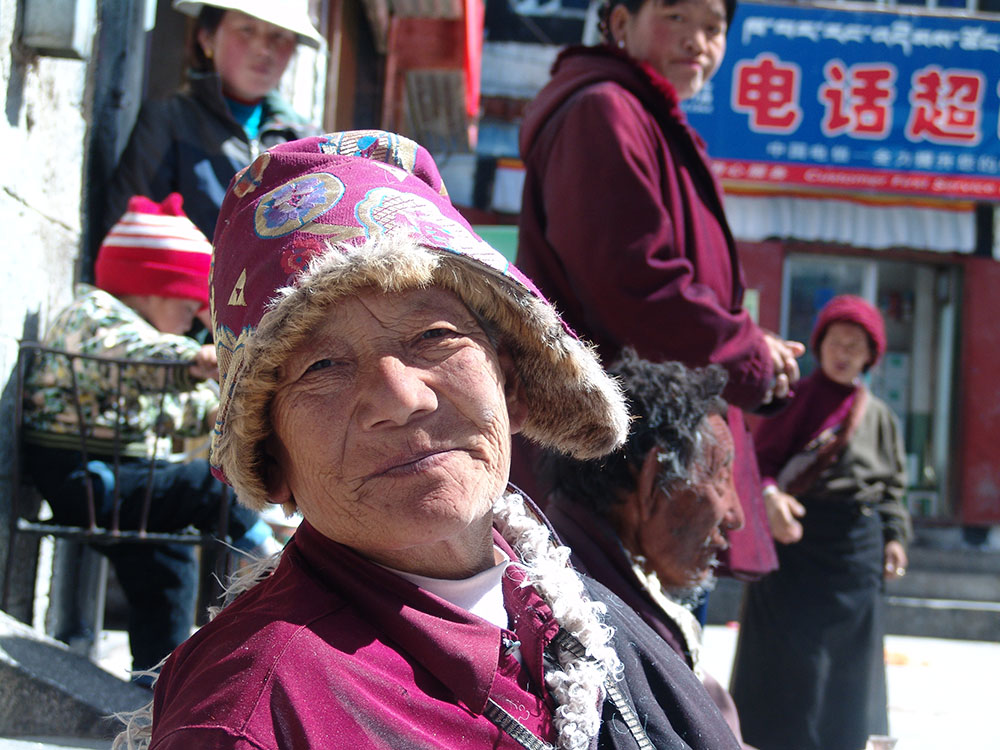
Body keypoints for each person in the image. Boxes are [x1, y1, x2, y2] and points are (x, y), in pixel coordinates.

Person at [117, 130, 744, 749]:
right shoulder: (252, 714)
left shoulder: (573, 614)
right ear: (271, 457)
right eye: (322, 367)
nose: (401, 397)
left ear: (513, 387)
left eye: (435, 336)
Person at [515, 0, 804, 580]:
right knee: (605, 651)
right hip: (611, 468)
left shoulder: (651, 120)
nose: (698, 40)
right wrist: (746, 355)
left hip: (652, 459)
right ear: (620, 23)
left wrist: (751, 344)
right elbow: (633, 285)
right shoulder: (603, 111)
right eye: (676, 18)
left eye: (714, 27)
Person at [24, 193, 278, 678]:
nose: (193, 319)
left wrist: (237, 413)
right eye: (187, 304)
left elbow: (181, 407)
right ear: (151, 287)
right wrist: (195, 358)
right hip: (85, 476)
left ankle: (154, 684)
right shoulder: (95, 315)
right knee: (206, 486)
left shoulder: (146, 343)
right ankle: (260, 557)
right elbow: (134, 353)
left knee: (168, 561)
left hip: (119, 480)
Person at [729, 295, 912, 750]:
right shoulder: (795, 400)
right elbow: (758, 463)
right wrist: (770, 498)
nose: (845, 352)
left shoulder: (880, 417)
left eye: (856, 345)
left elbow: (891, 489)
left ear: (871, 356)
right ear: (819, 345)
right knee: (792, 661)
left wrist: (895, 539)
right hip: (798, 544)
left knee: (849, 667)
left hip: (856, 551)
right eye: (837, 341)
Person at [542, 350, 752, 745]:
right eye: (720, 476)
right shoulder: (573, 622)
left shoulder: (594, 572)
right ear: (653, 479)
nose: (735, 515)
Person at [105, 0, 322, 241]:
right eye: (246, 30)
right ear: (207, 37)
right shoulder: (170, 121)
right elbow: (129, 234)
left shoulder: (307, 141)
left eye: (279, 36)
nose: (263, 49)